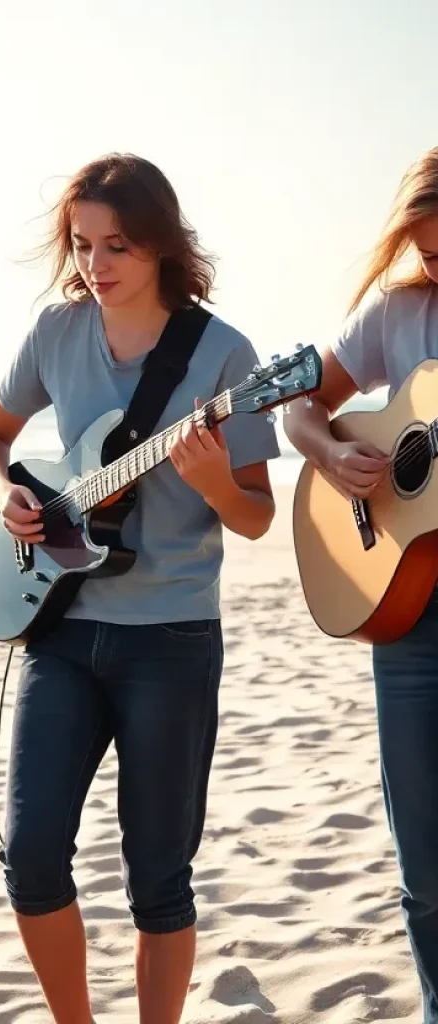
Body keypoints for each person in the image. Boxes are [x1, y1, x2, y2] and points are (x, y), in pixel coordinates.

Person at [0, 154, 280, 1024]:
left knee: (158, 877)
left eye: (119, 246)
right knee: (30, 858)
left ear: (161, 246)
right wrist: (10, 497)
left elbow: (254, 517)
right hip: (61, 630)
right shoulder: (57, 333)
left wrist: (213, 480)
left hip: (170, 638)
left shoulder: (227, 356)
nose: (97, 265)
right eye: (83, 245)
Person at [283, 146, 438, 1023]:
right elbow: (299, 403)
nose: (437, 272)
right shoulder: (397, 310)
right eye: (429, 254)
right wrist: (335, 451)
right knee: (426, 873)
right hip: (409, 614)